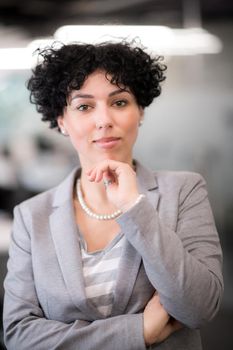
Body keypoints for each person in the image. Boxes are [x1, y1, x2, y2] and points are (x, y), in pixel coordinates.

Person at [3, 41, 223, 350]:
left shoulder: (184, 191)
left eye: (119, 102)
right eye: (84, 106)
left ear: (140, 111)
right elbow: (19, 334)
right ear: (62, 121)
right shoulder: (31, 216)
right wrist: (139, 332)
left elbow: (199, 308)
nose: (104, 119)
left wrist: (134, 207)